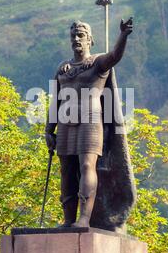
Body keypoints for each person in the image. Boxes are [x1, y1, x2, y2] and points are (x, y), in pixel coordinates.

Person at [45, 18, 134, 229]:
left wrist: (123, 35)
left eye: (81, 35)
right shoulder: (63, 68)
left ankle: (84, 218)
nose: (76, 39)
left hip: (91, 120)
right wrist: (49, 129)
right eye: (73, 36)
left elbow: (115, 56)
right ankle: (68, 220)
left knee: (86, 165)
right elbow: (55, 99)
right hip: (66, 121)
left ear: (90, 40)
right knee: (67, 170)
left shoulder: (97, 63)